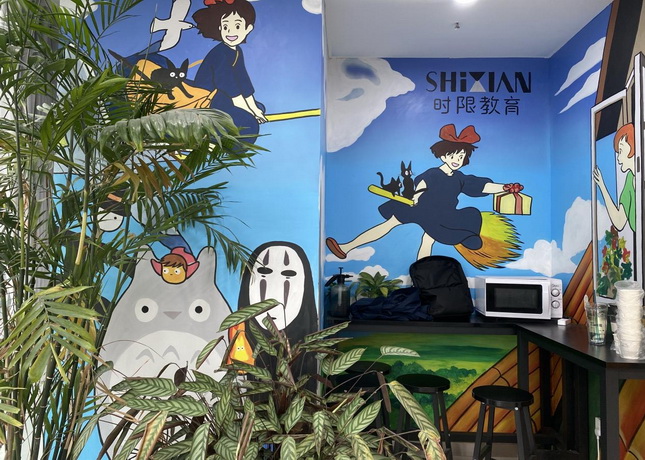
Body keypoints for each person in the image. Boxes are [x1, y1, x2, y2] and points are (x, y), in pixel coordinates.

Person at [326, 124, 521, 268]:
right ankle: (346, 247)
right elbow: (421, 184)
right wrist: (416, 197)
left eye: (461, 157)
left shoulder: (460, 178)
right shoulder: (433, 173)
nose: (457, 160)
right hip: (419, 208)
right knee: (389, 225)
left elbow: (482, 186)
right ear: (443, 155)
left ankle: (423, 279)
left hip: (442, 216)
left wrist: (505, 188)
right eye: (453, 156)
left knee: (428, 240)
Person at [192, 0, 267, 139]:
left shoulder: (236, 50)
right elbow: (227, 84)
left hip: (221, 95)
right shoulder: (220, 52)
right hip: (209, 99)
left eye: (237, 26)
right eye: (226, 26)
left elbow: (243, 80)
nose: (231, 32)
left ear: (248, 28)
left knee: (259, 107)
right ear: (220, 28)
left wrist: (254, 109)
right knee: (248, 123)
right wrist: (248, 111)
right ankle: (212, 140)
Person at [593, 123, 636, 232]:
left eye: (621, 151)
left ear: (633, 149)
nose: (618, 158)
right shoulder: (630, 179)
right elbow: (619, 222)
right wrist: (601, 185)